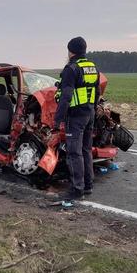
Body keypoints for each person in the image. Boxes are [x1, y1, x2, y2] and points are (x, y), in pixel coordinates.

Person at [53, 36, 99, 201]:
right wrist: (93, 109)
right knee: (86, 149)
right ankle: (88, 185)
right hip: (90, 113)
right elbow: (97, 92)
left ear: (70, 51)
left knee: (74, 152)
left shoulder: (71, 68)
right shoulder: (92, 67)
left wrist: (57, 119)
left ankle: (76, 189)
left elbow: (66, 96)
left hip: (76, 115)